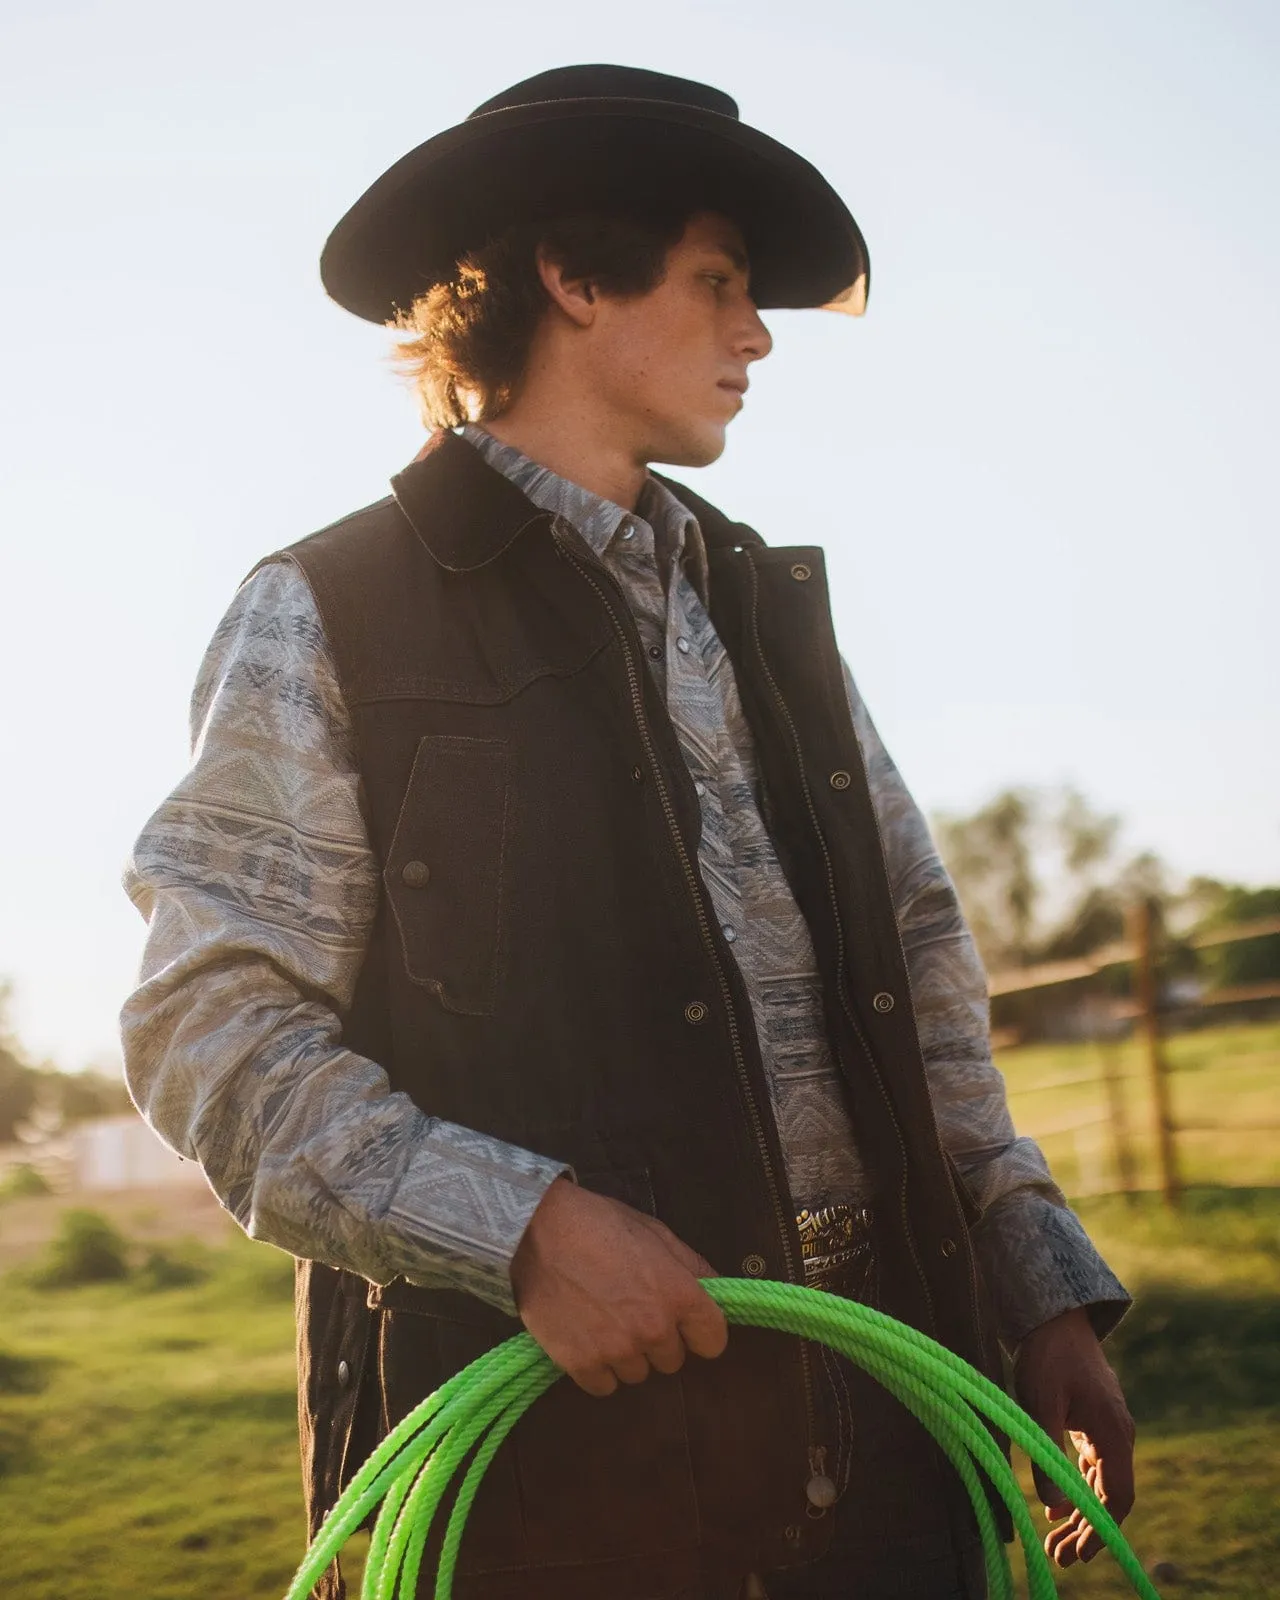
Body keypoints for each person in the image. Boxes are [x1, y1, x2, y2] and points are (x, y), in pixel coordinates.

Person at [120, 64, 1136, 1600]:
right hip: (556, 1503)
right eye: (719, 282)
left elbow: (918, 977)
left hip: (889, 1461)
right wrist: (520, 1229)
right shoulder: (328, 612)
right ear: (575, 277)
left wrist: (1036, 1283)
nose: (756, 335)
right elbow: (214, 1031)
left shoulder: (772, 619)